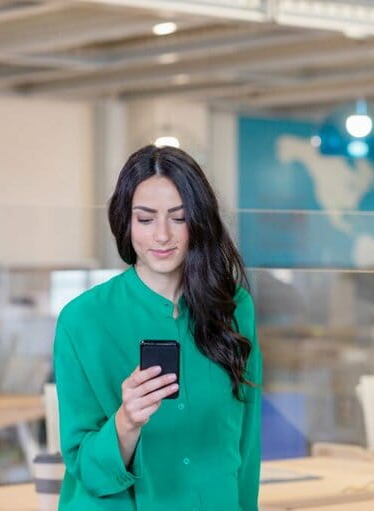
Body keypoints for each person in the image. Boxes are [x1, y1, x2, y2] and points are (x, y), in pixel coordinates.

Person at [54, 145, 262, 510]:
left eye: (179, 218)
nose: (162, 235)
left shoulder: (234, 307)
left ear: (199, 222)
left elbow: (246, 439)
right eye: (146, 219)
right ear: (126, 222)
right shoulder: (81, 320)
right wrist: (126, 421)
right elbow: (84, 467)